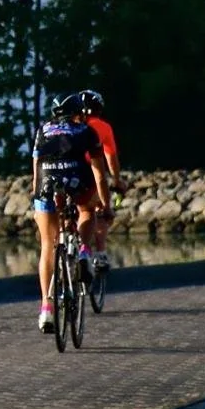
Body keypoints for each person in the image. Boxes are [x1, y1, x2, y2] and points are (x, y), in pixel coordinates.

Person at [31, 91, 110, 334]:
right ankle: (85, 252)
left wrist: (37, 196)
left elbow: (36, 168)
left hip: (47, 181)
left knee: (47, 244)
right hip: (77, 178)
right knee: (87, 211)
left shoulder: (43, 130)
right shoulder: (87, 131)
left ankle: (46, 308)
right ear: (79, 113)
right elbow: (99, 174)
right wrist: (105, 205)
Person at [76, 89, 121, 273]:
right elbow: (111, 159)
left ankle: (64, 248)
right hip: (90, 172)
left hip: (66, 172)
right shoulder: (103, 127)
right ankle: (100, 253)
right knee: (99, 208)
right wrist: (117, 180)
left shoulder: (71, 124)